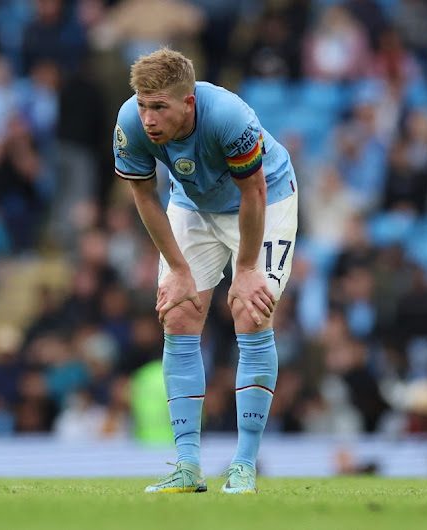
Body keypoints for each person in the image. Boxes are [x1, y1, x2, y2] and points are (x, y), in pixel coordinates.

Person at [114, 48, 298, 494]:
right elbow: (144, 196)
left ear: (189, 102)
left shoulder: (229, 117)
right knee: (178, 312)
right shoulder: (130, 123)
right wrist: (178, 269)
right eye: (143, 105)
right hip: (193, 204)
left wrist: (248, 267)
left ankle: (244, 465)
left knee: (251, 311)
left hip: (265, 200)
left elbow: (253, 191)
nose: (149, 118)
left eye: (159, 107)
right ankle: (187, 465)